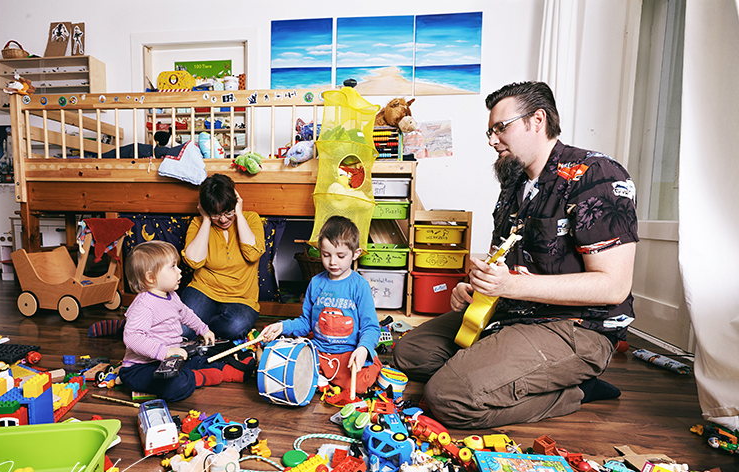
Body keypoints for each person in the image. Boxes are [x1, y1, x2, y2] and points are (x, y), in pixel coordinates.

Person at [393, 81, 638, 429]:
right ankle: (498, 370)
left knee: (446, 398)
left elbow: (612, 287)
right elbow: (504, 263)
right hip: (511, 314)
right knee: (409, 352)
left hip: (574, 328)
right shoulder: (513, 185)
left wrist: (508, 287)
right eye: (490, 131)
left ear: (537, 121)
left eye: (500, 128)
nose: (492, 140)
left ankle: (576, 390)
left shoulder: (596, 175)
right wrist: (474, 288)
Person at [260, 216, 383, 394]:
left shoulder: (360, 286)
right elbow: (306, 323)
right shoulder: (316, 283)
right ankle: (321, 378)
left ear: (355, 254)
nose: (333, 262)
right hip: (319, 352)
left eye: (341, 256)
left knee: (359, 385)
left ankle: (326, 379)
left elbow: (370, 327)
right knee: (289, 370)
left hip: (348, 353)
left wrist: (363, 348)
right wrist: (282, 326)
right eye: (326, 255)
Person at [119, 241, 250, 402]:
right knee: (174, 386)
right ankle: (198, 377)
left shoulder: (171, 295)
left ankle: (233, 371)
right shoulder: (144, 305)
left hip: (170, 360)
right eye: (172, 267)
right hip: (140, 368)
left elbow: (186, 313)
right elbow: (133, 338)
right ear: (151, 277)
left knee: (198, 360)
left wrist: (203, 329)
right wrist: (164, 352)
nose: (179, 271)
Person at [181, 173, 266, 341]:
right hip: (203, 290)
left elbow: (253, 254)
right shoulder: (198, 223)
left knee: (234, 327)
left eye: (228, 212)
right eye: (216, 214)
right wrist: (206, 220)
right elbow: (194, 262)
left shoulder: (251, 219)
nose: (223, 219)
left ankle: (201, 329)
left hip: (241, 298)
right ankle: (199, 329)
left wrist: (239, 215)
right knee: (183, 331)